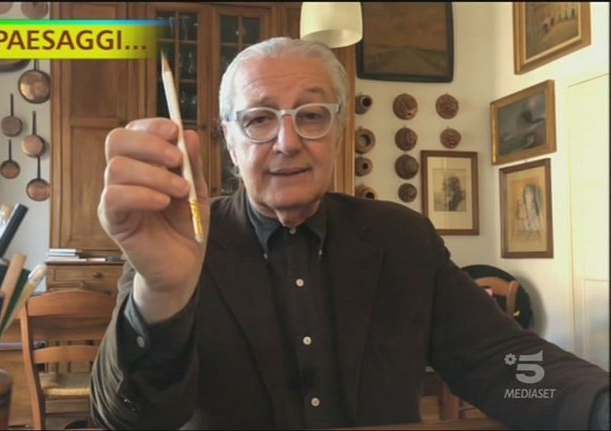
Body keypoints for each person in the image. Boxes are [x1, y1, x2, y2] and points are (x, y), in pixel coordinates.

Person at [92, 37, 609, 429]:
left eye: (311, 115)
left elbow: (503, 364)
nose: (287, 141)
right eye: (260, 120)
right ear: (229, 139)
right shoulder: (178, 241)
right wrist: (162, 295)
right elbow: (125, 420)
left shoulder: (403, 239)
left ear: (338, 131)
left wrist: (600, 406)